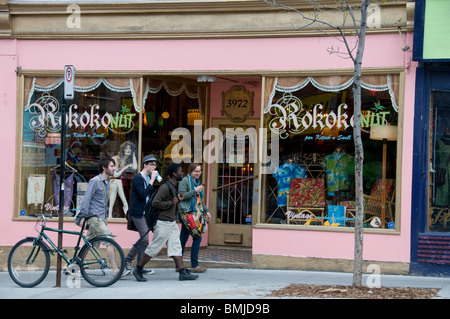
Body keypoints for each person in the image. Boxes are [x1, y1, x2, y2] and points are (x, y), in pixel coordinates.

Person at [132, 163, 199, 282]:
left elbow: (173, 201)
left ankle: (182, 272)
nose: (182, 173)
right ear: (174, 173)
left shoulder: (174, 186)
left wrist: (178, 200)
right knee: (154, 248)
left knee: (176, 247)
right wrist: (171, 203)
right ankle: (138, 269)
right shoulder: (165, 187)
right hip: (162, 223)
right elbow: (155, 203)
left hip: (171, 222)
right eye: (180, 171)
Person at [79, 157, 119, 275]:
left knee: (88, 243)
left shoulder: (107, 183)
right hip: (94, 218)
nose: (114, 168)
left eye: (114, 166)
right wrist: (82, 216)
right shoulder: (95, 181)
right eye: (111, 166)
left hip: (101, 218)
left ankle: (74, 267)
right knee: (109, 240)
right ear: (104, 167)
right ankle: (116, 270)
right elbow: (86, 199)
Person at [122, 154, 160, 277]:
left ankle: (140, 266)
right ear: (145, 165)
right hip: (137, 213)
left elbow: (150, 195)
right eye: (152, 164)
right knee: (144, 239)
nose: (154, 167)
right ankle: (127, 260)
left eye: (155, 165)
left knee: (144, 241)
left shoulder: (147, 178)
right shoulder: (138, 178)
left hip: (145, 213)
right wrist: (153, 181)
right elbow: (143, 194)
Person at [178, 163, 210, 273]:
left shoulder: (197, 182)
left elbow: (199, 199)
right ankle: (194, 265)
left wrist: (206, 211)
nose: (198, 173)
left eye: (199, 171)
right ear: (190, 171)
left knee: (183, 239)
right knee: (197, 237)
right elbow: (182, 196)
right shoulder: (185, 181)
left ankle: (179, 265)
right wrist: (195, 191)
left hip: (194, 213)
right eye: (195, 171)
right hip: (187, 214)